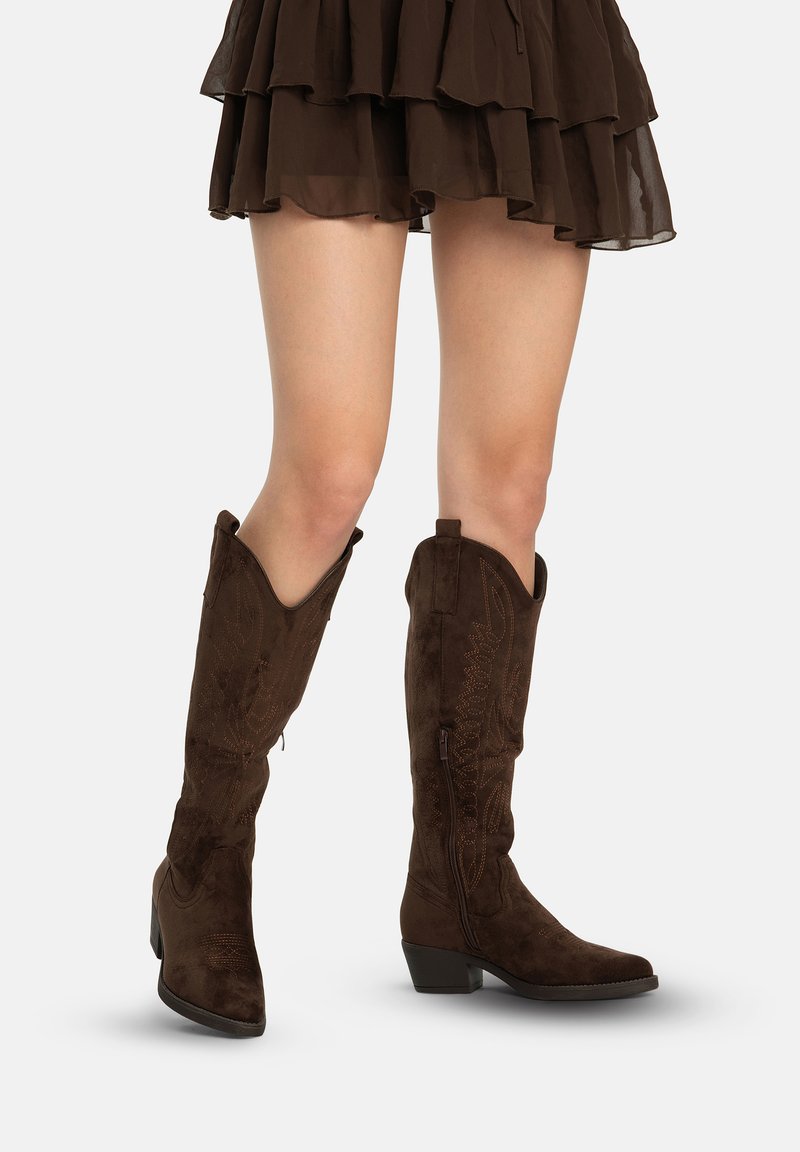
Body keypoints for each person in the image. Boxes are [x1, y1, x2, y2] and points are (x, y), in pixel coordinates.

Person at [151, 0, 675, 1037]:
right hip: (342, 26)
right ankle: (202, 864)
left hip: (524, 28)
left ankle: (464, 883)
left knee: (508, 484)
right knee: (329, 468)